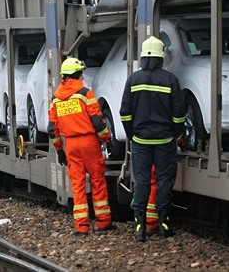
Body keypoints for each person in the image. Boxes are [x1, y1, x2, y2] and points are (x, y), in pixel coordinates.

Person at [120, 36, 185, 242]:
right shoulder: (170, 80)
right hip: (165, 141)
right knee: (164, 180)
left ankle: (139, 228)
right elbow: (178, 114)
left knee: (142, 182)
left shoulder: (133, 80)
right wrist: (175, 133)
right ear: (161, 57)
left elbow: (125, 113)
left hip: (141, 141)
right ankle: (164, 226)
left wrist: (132, 134)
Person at [48, 57, 116, 236]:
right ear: (77, 74)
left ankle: (81, 227)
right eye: (81, 74)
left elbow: (52, 130)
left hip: (70, 145)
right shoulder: (85, 94)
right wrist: (107, 139)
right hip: (89, 143)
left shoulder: (56, 99)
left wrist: (60, 151)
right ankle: (103, 223)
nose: (83, 78)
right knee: (98, 181)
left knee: (77, 185)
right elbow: (98, 121)